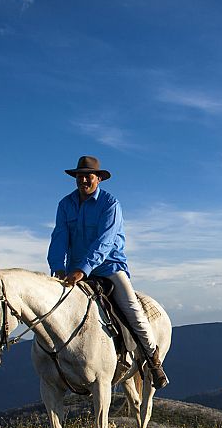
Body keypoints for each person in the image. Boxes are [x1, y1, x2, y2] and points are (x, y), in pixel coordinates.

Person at [47, 155, 169, 389]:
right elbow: (59, 237)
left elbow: (104, 242)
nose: (83, 180)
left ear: (99, 178)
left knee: (133, 310)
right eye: (79, 176)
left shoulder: (110, 204)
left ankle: (154, 362)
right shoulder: (65, 205)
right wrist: (57, 267)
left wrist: (83, 269)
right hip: (74, 271)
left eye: (88, 176)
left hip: (109, 267)